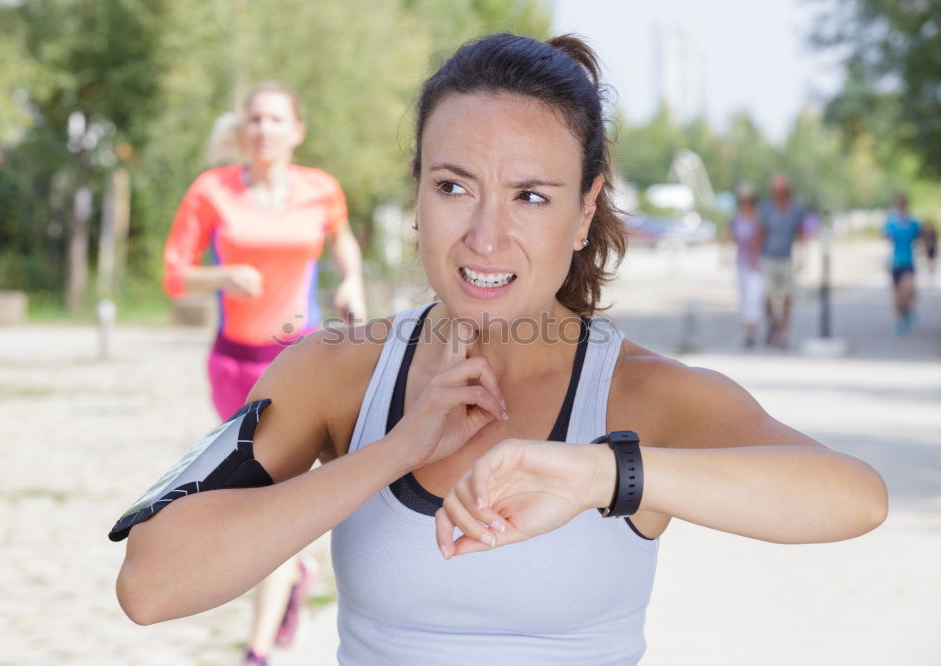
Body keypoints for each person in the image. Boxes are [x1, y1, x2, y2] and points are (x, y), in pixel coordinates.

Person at [114, 34, 887, 665]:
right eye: (453, 187)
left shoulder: (641, 395)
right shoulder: (338, 370)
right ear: (416, 194)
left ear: (585, 212)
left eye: (531, 197)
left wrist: (598, 471)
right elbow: (152, 587)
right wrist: (391, 450)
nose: (485, 236)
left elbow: (853, 497)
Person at [161, 82, 367, 665]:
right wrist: (222, 278)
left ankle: (255, 651)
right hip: (233, 361)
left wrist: (350, 278)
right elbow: (175, 274)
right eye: (255, 119)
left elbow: (342, 239)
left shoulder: (320, 190)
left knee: (263, 496)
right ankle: (297, 574)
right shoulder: (212, 192)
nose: (264, 130)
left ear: (295, 130)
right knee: (258, 491)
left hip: (295, 360)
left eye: (276, 120)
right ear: (243, 129)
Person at [758, 174, 807, 349]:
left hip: (786, 258)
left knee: (788, 297)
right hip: (768, 257)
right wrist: (757, 256)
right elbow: (761, 232)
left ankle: (783, 334)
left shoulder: (795, 209)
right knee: (767, 297)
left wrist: (802, 255)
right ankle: (772, 323)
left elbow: (800, 232)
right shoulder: (767, 208)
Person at [725, 183, 765, 347]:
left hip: (757, 263)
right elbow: (729, 234)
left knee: (753, 298)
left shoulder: (759, 217)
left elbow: (762, 238)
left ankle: (751, 332)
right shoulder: (737, 218)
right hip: (742, 262)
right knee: (744, 297)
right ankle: (747, 330)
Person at [882, 194, 921, 334]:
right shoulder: (891, 222)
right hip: (895, 261)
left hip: (909, 261)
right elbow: (886, 238)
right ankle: (900, 320)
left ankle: (908, 310)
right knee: (897, 295)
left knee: (909, 289)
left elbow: (919, 238)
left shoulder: (914, 222)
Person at [920, 218, 936, 284]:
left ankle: (931, 273)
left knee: (931, 261)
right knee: (927, 261)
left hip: (931, 248)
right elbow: (922, 239)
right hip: (927, 248)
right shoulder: (924, 232)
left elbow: (934, 240)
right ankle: (929, 273)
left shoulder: (932, 231)